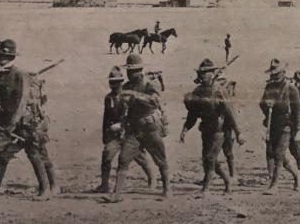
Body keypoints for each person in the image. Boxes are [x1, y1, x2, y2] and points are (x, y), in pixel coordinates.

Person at [0, 38, 56, 201]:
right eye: (1, 54)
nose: (1, 58)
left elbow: (22, 102)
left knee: (5, 151)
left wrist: (11, 124)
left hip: (24, 122)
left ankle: (44, 190)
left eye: (5, 55)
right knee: (14, 153)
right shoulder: (3, 74)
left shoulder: (18, 75)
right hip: (10, 121)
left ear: (11, 57)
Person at [110, 53, 171, 202]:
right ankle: (116, 195)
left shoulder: (150, 84)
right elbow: (124, 109)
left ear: (140, 70)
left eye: (133, 71)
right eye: (129, 71)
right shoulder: (126, 86)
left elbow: (155, 102)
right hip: (134, 129)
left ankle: (167, 190)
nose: (130, 74)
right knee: (123, 158)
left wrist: (135, 96)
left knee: (160, 159)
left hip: (151, 127)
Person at [181, 58, 243, 194]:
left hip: (219, 130)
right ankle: (227, 180)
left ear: (212, 73)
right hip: (206, 129)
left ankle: (206, 188)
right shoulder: (197, 91)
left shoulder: (219, 91)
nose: (202, 75)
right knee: (208, 159)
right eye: (201, 73)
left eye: (205, 73)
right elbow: (193, 113)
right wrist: (185, 128)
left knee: (210, 157)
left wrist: (238, 133)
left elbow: (230, 113)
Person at [97, 66, 153, 193]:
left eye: (116, 82)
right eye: (111, 82)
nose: (113, 84)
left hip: (129, 133)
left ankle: (152, 178)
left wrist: (123, 127)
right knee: (107, 154)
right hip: (114, 135)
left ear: (121, 82)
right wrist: (105, 135)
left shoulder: (127, 96)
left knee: (140, 157)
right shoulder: (108, 98)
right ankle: (104, 184)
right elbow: (106, 117)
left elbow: (132, 116)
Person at [260, 59, 300, 190]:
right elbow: (261, 103)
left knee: (279, 153)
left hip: (286, 125)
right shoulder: (269, 86)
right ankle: (298, 175)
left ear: (283, 73)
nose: (274, 76)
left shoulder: (290, 88)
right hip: (272, 125)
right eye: (272, 74)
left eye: (277, 74)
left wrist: (298, 130)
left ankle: (274, 184)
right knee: (276, 154)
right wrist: (266, 105)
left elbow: (298, 110)